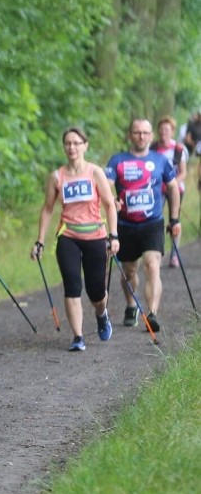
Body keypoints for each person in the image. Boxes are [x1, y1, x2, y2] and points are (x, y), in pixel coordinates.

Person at [31, 127, 120, 351]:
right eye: (68, 143)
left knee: (96, 291)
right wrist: (40, 240)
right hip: (68, 235)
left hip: (96, 236)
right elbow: (47, 209)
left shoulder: (95, 172)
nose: (71, 147)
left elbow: (109, 205)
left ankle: (102, 314)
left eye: (76, 143)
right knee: (72, 285)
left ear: (85, 145)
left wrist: (113, 235)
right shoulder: (57, 176)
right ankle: (78, 336)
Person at [105, 118, 181, 332]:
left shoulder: (160, 161)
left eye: (145, 132)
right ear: (130, 135)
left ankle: (152, 313)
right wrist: (112, 199)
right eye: (137, 132)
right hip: (125, 225)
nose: (141, 136)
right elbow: (105, 186)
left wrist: (174, 219)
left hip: (152, 223)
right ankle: (131, 305)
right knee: (129, 272)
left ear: (151, 136)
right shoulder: (117, 160)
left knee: (152, 265)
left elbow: (173, 188)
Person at [152, 116, 188, 268]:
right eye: (161, 129)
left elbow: (183, 173)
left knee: (174, 222)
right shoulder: (153, 148)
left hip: (175, 189)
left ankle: (174, 255)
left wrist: (171, 184)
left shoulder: (179, 149)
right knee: (156, 220)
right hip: (157, 190)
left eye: (166, 130)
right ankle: (157, 253)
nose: (163, 132)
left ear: (172, 131)